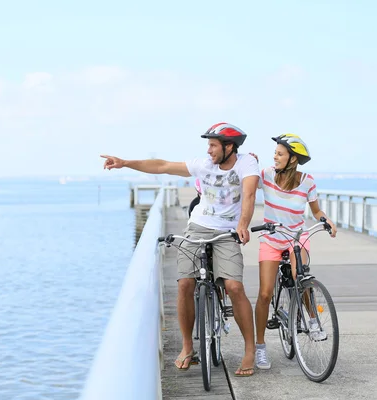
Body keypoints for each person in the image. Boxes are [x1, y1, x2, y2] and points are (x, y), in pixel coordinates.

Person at [101, 122, 260, 376]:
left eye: (213, 145)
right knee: (185, 283)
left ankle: (250, 350)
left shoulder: (246, 164)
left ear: (229, 147)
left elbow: (250, 195)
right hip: (197, 227)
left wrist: (243, 224)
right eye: (208, 145)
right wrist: (124, 162)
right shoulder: (203, 165)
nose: (208, 150)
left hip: (227, 232)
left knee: (234, 287)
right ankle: (188, 347)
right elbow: (162, 166)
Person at [253, 133, 337, 370]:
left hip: (296, 238)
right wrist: (249, 161)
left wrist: (326, 220)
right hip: (271, 238)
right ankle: (260, 347)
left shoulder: (307, 181)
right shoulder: (266, 175)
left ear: (292, 159)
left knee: (302, 277)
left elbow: (316, 210)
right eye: (275, 153)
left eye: (280, 153)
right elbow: (247, 183)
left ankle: (312, 320)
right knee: (265, 294)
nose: (275, 157)